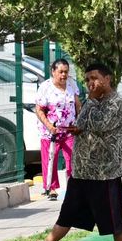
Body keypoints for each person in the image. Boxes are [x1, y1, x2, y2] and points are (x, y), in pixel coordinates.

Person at [18, 61, 122, 241]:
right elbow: (81, 122)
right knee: (68, 213)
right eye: (87, 79)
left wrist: (90, 101)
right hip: (81, 170)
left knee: (113, 217)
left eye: (95, 78)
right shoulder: (92, 102)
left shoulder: (117, 103)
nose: (90, 83)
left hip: (104, 172)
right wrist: (79, 124)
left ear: (107, 79)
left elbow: (100, 124)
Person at [33, 58, 78, 201]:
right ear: (53, 72)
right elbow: (39, 109)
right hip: (50, 132)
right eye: (61, 72)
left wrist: (79, 121)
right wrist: (49, 126)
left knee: (72, 159)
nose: (64, 75)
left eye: (66, 72)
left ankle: (73, 187)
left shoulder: (71, 84)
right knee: (50, 160)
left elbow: (77, 104)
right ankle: (51, 189)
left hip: (69, 130)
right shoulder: (45, 87)